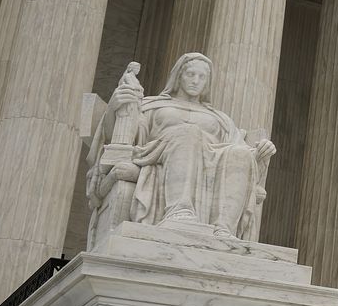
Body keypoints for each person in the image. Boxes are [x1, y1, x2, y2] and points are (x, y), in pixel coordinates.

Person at [94, 53, 276, 246]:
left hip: (211, 164)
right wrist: (116, 106)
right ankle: (179, 210)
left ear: (207, 83)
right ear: (179, 76)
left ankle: (223, 229)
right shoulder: (152, 105)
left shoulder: (221, 119)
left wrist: (260, 153)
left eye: (202, 77)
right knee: (189, 133)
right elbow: (120, 136)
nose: (195, 81)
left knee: (239, 154)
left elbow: (241, 150)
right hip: (160, 155)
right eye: (190, 74)